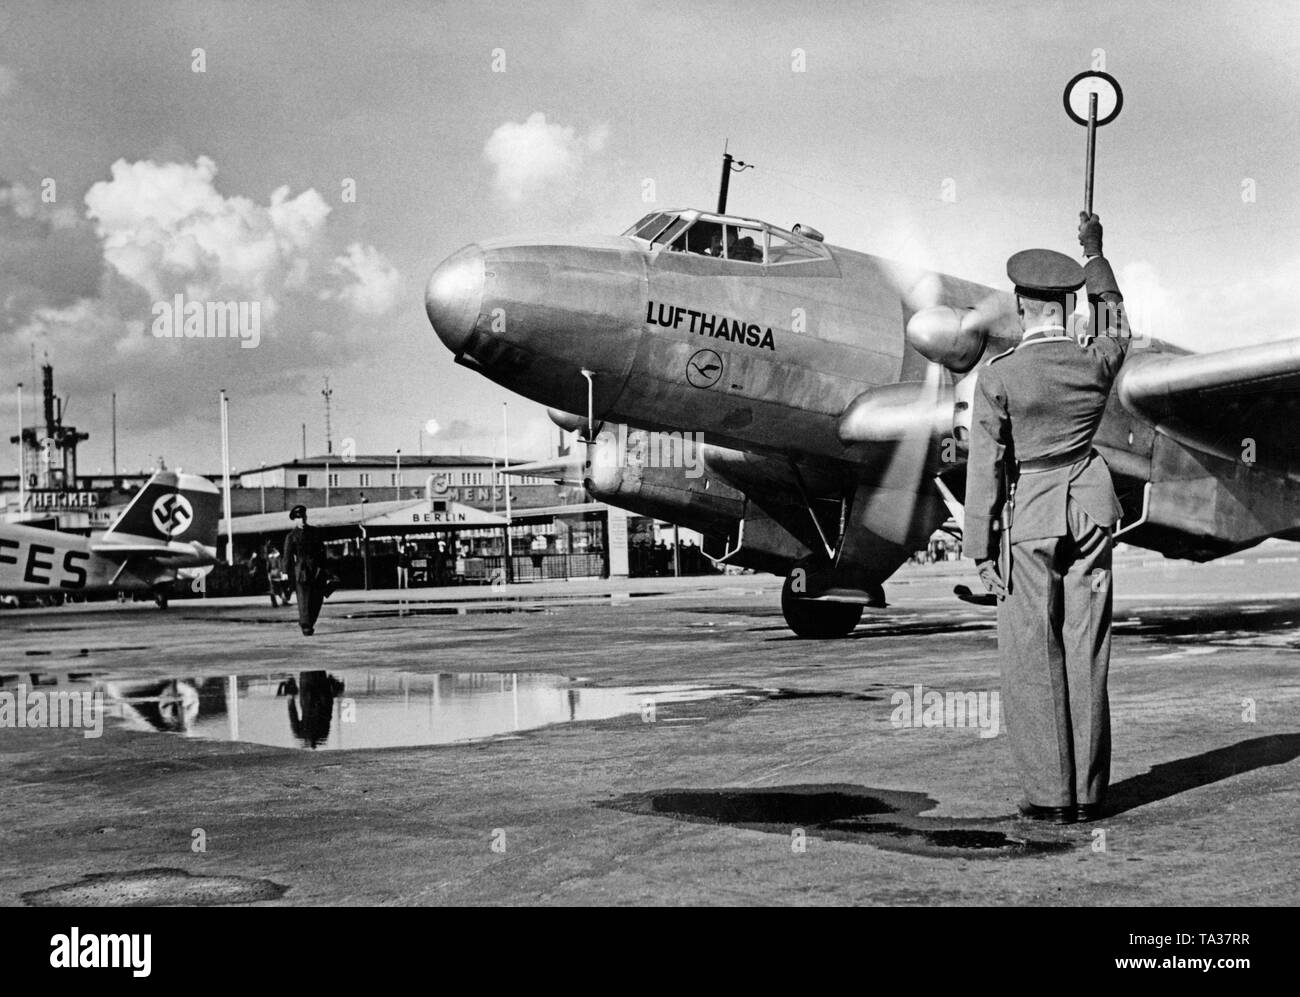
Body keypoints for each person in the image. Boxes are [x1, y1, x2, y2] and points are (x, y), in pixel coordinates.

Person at [964, 213, 1130, 825]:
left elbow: (985, 468)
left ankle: (1050, 796)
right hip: (1090, 505)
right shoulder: (1097, 360)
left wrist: (981, 548)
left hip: (1030, 516)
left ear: (1020, 304)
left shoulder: (999, 377)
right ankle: (1089, 795)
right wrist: (1095, 254)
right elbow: (1115, 315)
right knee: (1087, 646)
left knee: (1032, 652)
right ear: (1065, 305)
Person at [283, 504, 326, 636]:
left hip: (316, 569)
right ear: (295, 520)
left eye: (304, 517)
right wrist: (285, 573)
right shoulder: (291, 536)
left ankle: (309, 621)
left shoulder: (315, 532)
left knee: (318, 598)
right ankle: (306, 625)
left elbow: (322, 551)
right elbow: (287, 556)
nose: (302, 520)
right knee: (304, 599)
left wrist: (325, 568)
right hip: (301, 571)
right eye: (299, 518)